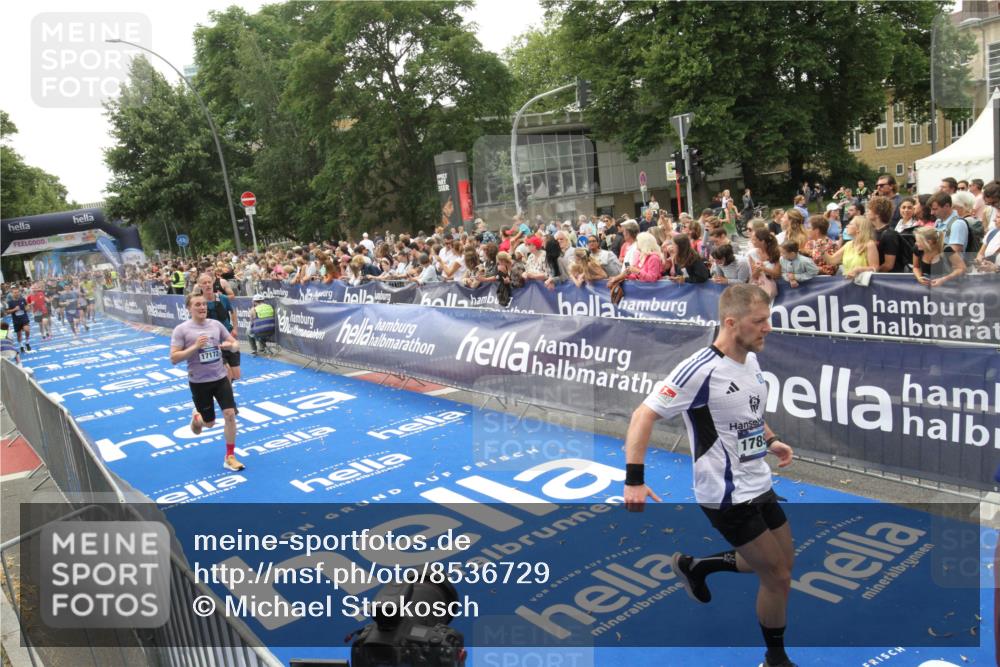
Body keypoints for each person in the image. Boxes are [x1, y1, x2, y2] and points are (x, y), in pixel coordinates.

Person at [623, 283, 796, 667]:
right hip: (725, 494)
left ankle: (697, 567)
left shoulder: (750, 360)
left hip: (758, 481)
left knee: (780, 562)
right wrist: (634, 478)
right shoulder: (699, 369)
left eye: (768, 319)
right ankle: (775, 659)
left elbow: (746, 412)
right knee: (778, 576)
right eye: (760, 321)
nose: (768, 328)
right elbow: (642, 416)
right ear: (732, 323)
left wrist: (772, 440)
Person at [170, 289, 245, 472]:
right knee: (209, 423)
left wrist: (232, 346)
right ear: (189, 308)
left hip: (220, 378)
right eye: (197, 305)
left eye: (204, 304)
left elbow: (234, 344)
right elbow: (174, 358)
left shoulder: (216, 325)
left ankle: (230, 456)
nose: (202, 307)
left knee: (229, 414)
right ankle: (197, 418)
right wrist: (196, 346)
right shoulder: (182, 330)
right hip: (199, 383)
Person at [196, 273, 241, 382]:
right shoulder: (198, 302)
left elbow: (233, 312)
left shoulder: (223, 298)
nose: (207, 285)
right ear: (199, 286)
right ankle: (227, 398)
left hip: (228, 337)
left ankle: (225, 391)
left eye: (209, 282)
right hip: (212, 342)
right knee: (227, 372)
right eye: (204, 283)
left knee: (236, 375)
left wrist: (235, 328)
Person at [5, 286, 30, 352]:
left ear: (19, 292)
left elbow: (27, 305)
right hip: (16, 320)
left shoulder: (22, 299)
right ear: (12, 293)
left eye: (17, 292)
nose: (16, 293)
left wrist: (27, 308)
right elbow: (7, 311)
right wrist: (14, 309)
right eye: (15, 292)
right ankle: (21, 345)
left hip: (24, 318)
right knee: (19, 335)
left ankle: (27, 342)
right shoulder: (9, 302)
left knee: (27, 330)